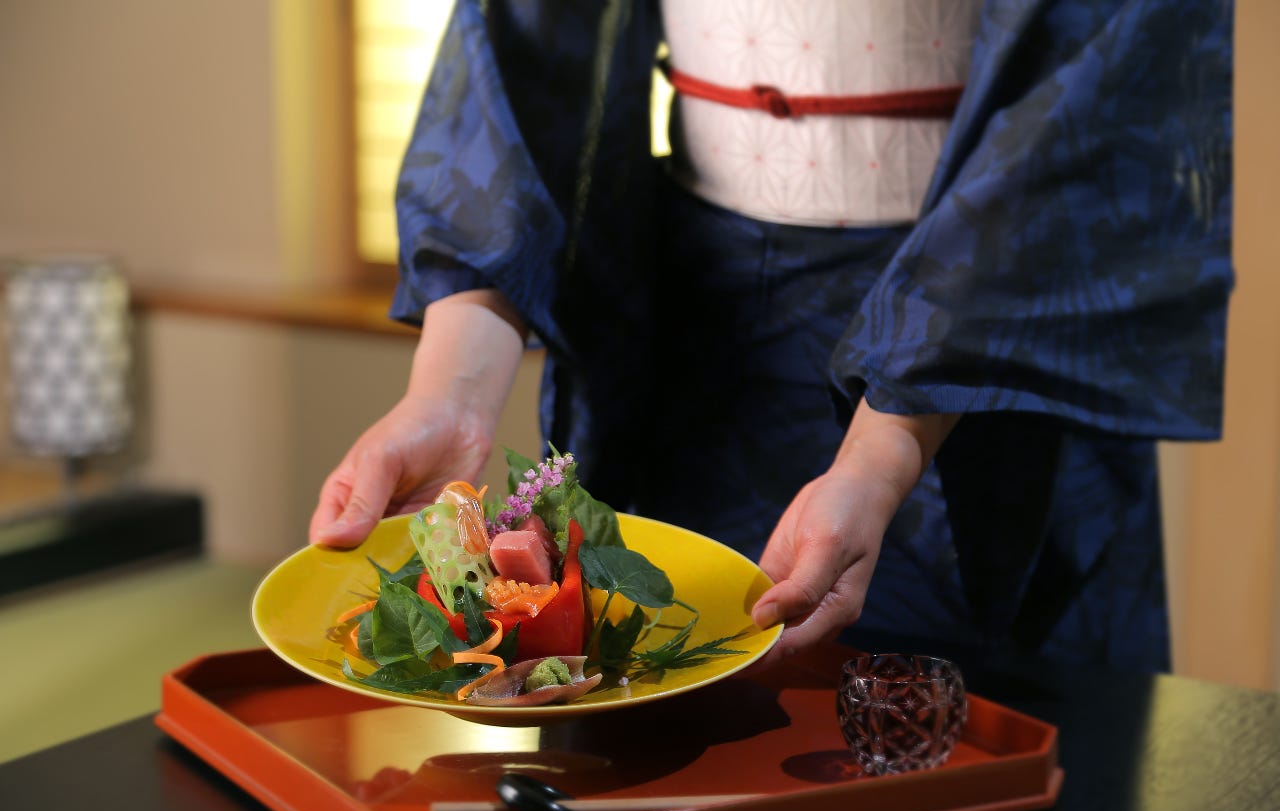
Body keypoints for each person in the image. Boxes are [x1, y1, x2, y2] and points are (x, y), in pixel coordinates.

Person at [311, 0, 1232, 674]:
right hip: (694, 331)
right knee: (660, 731)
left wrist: (880, 458)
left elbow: (1096, 79)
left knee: (978, 761)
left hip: (993, 324)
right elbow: (524, 47)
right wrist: (451, 394)